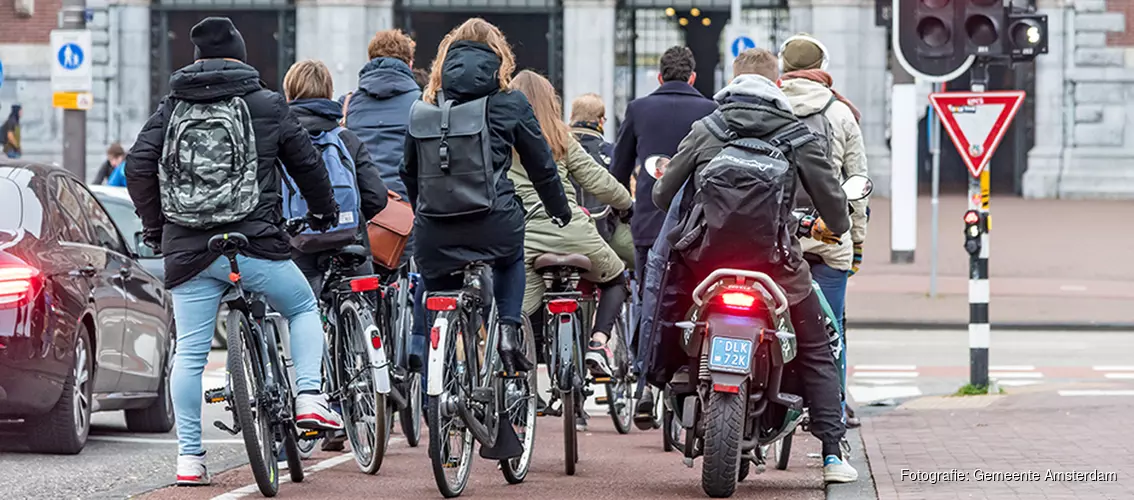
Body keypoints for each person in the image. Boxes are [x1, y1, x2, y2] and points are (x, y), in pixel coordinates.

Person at [124, 17, 344, 486]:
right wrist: (324, 213)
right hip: (256, 243)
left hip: (188, 250)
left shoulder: (170, 109)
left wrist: (154, 226)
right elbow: (306, 163)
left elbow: (137, 165)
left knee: (190, 354)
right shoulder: (267, 103)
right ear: (241, 55)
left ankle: (189, 459)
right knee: (303, 306)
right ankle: (309, 396)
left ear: (195, 59)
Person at [651, 48, 858, 483]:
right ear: (776, 84)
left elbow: (661, 195)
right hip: (776, 266)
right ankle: (832, 455)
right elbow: (837, 215)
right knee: (817, 346)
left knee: (671, 316)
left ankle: (664, 389)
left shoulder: (707, 128)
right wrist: (829, 224)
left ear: (731, 81)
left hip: (706, 264)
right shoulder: (798, 135)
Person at [401, 18, 572, 378]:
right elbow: (541, 165)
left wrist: (425, 211)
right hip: (493, 223)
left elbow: (408, 171)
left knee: (436, 293)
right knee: (510, 260)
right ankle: (508, 331)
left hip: (436, 232)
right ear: (499, 60)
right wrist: (560, 210)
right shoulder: (511, 103)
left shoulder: (424, 108)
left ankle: (434, 357)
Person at [610, 45, 716, 417]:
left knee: (648, 300)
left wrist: (621, 212)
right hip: (694, 226)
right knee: (694, 298)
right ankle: (691, 371)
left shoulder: (639, 109)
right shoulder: (711, 111)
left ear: (659, 77)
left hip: (649, 223)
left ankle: (643, 382)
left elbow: (619, 170)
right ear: (692, 78)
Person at [509, 71, 633, 384]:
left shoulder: (501, 136)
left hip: (525, 238)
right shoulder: (560, 136)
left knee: (522, 306)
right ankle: (598, 342)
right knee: (617, 277)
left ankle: (529, 369)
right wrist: (627, 204)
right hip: (574, 231)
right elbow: (598, 181)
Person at [778, 33, 870, 428]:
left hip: (776, 236)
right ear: (823, 68)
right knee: (833, 326)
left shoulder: (770, 106)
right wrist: (857, 239)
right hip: (828, 237)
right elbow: (858, 181)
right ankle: (834, 404)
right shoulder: (841, 113)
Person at [569, 93, 635, 266]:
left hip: (564, 231)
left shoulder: (558, 149)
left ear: (571, 117)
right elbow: (622, 191)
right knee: (641, 259)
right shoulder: (610, 152)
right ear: (600, 121)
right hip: (604, 232)